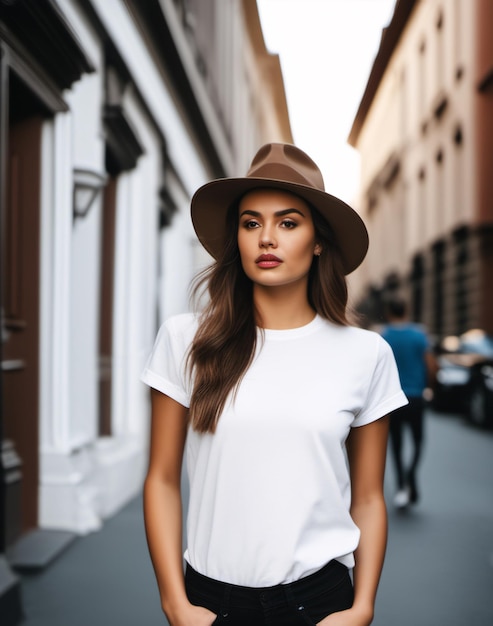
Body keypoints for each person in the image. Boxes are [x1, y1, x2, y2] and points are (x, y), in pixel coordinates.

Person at [141, 142, 408, 626]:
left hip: (322, 602)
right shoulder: (186, 340)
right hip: (210, 602)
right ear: (237, 238)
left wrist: (363, 607)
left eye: (288, 222)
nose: (267, 238)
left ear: (319, 239)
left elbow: (368, 497)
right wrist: (175, 604)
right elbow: (161, 479)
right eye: (251, 223)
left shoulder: (366, 354)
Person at [380, 297, 437, 509]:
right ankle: (412, 473)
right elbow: (431, 365)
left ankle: (402, 485)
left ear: (388, 311)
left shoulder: (384, 336)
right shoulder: (419, 335)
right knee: (418, 441)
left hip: (393, 399)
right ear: (407, 310)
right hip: (415, 397)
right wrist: (428, 386)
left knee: (396, 445)